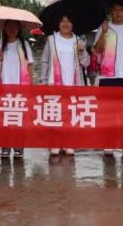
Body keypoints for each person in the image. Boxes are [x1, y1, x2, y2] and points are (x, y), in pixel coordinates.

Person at [93, 2, 123, 157]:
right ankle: (109, 142)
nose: (118, 13)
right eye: (115, 10)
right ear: (110, 12)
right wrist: (103, 33)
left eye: (121, 10)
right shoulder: (104, 27)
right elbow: (97, 49)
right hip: (108, 77)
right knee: (108, 112)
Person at [41, 15, 90, 156]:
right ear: (58, 23)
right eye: (62, 21)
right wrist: (43, 82)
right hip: (54, 83)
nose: (65, 24)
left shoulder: (78, 41)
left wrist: (82, 51)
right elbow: (45, 61)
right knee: (55, 112)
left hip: (73, 84)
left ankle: (68, 142)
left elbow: (86, 63)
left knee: (70, 114)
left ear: (73, 24)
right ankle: (55, 142)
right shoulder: (52, 40)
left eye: (69, 21)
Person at [0, 19, 34, 159]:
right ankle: (5, 146)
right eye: (9, 26)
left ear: (19, 29)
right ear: (5, 28)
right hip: (3, 88)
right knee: (4, 118)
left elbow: (30, 66)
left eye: (15, 26)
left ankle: (19, 146)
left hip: (21, 88)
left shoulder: (24, 45)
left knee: (19, 117)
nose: (12, 29)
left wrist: (31, 86)